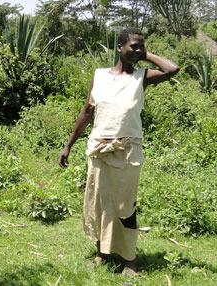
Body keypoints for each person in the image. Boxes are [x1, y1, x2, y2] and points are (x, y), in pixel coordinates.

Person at [58, 27, 179, 276]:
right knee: (99, 203)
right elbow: (87, 112)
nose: (138, 50)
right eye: (133, 46)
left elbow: (172, 69)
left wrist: (147, 55)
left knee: (126, 206)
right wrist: (68, 144)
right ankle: (102, 253)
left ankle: (130, 261)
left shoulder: (142, 77)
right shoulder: (100, 75)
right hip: (99, 149)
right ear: (119, 47)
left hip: (127, 151)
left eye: (141, 46)